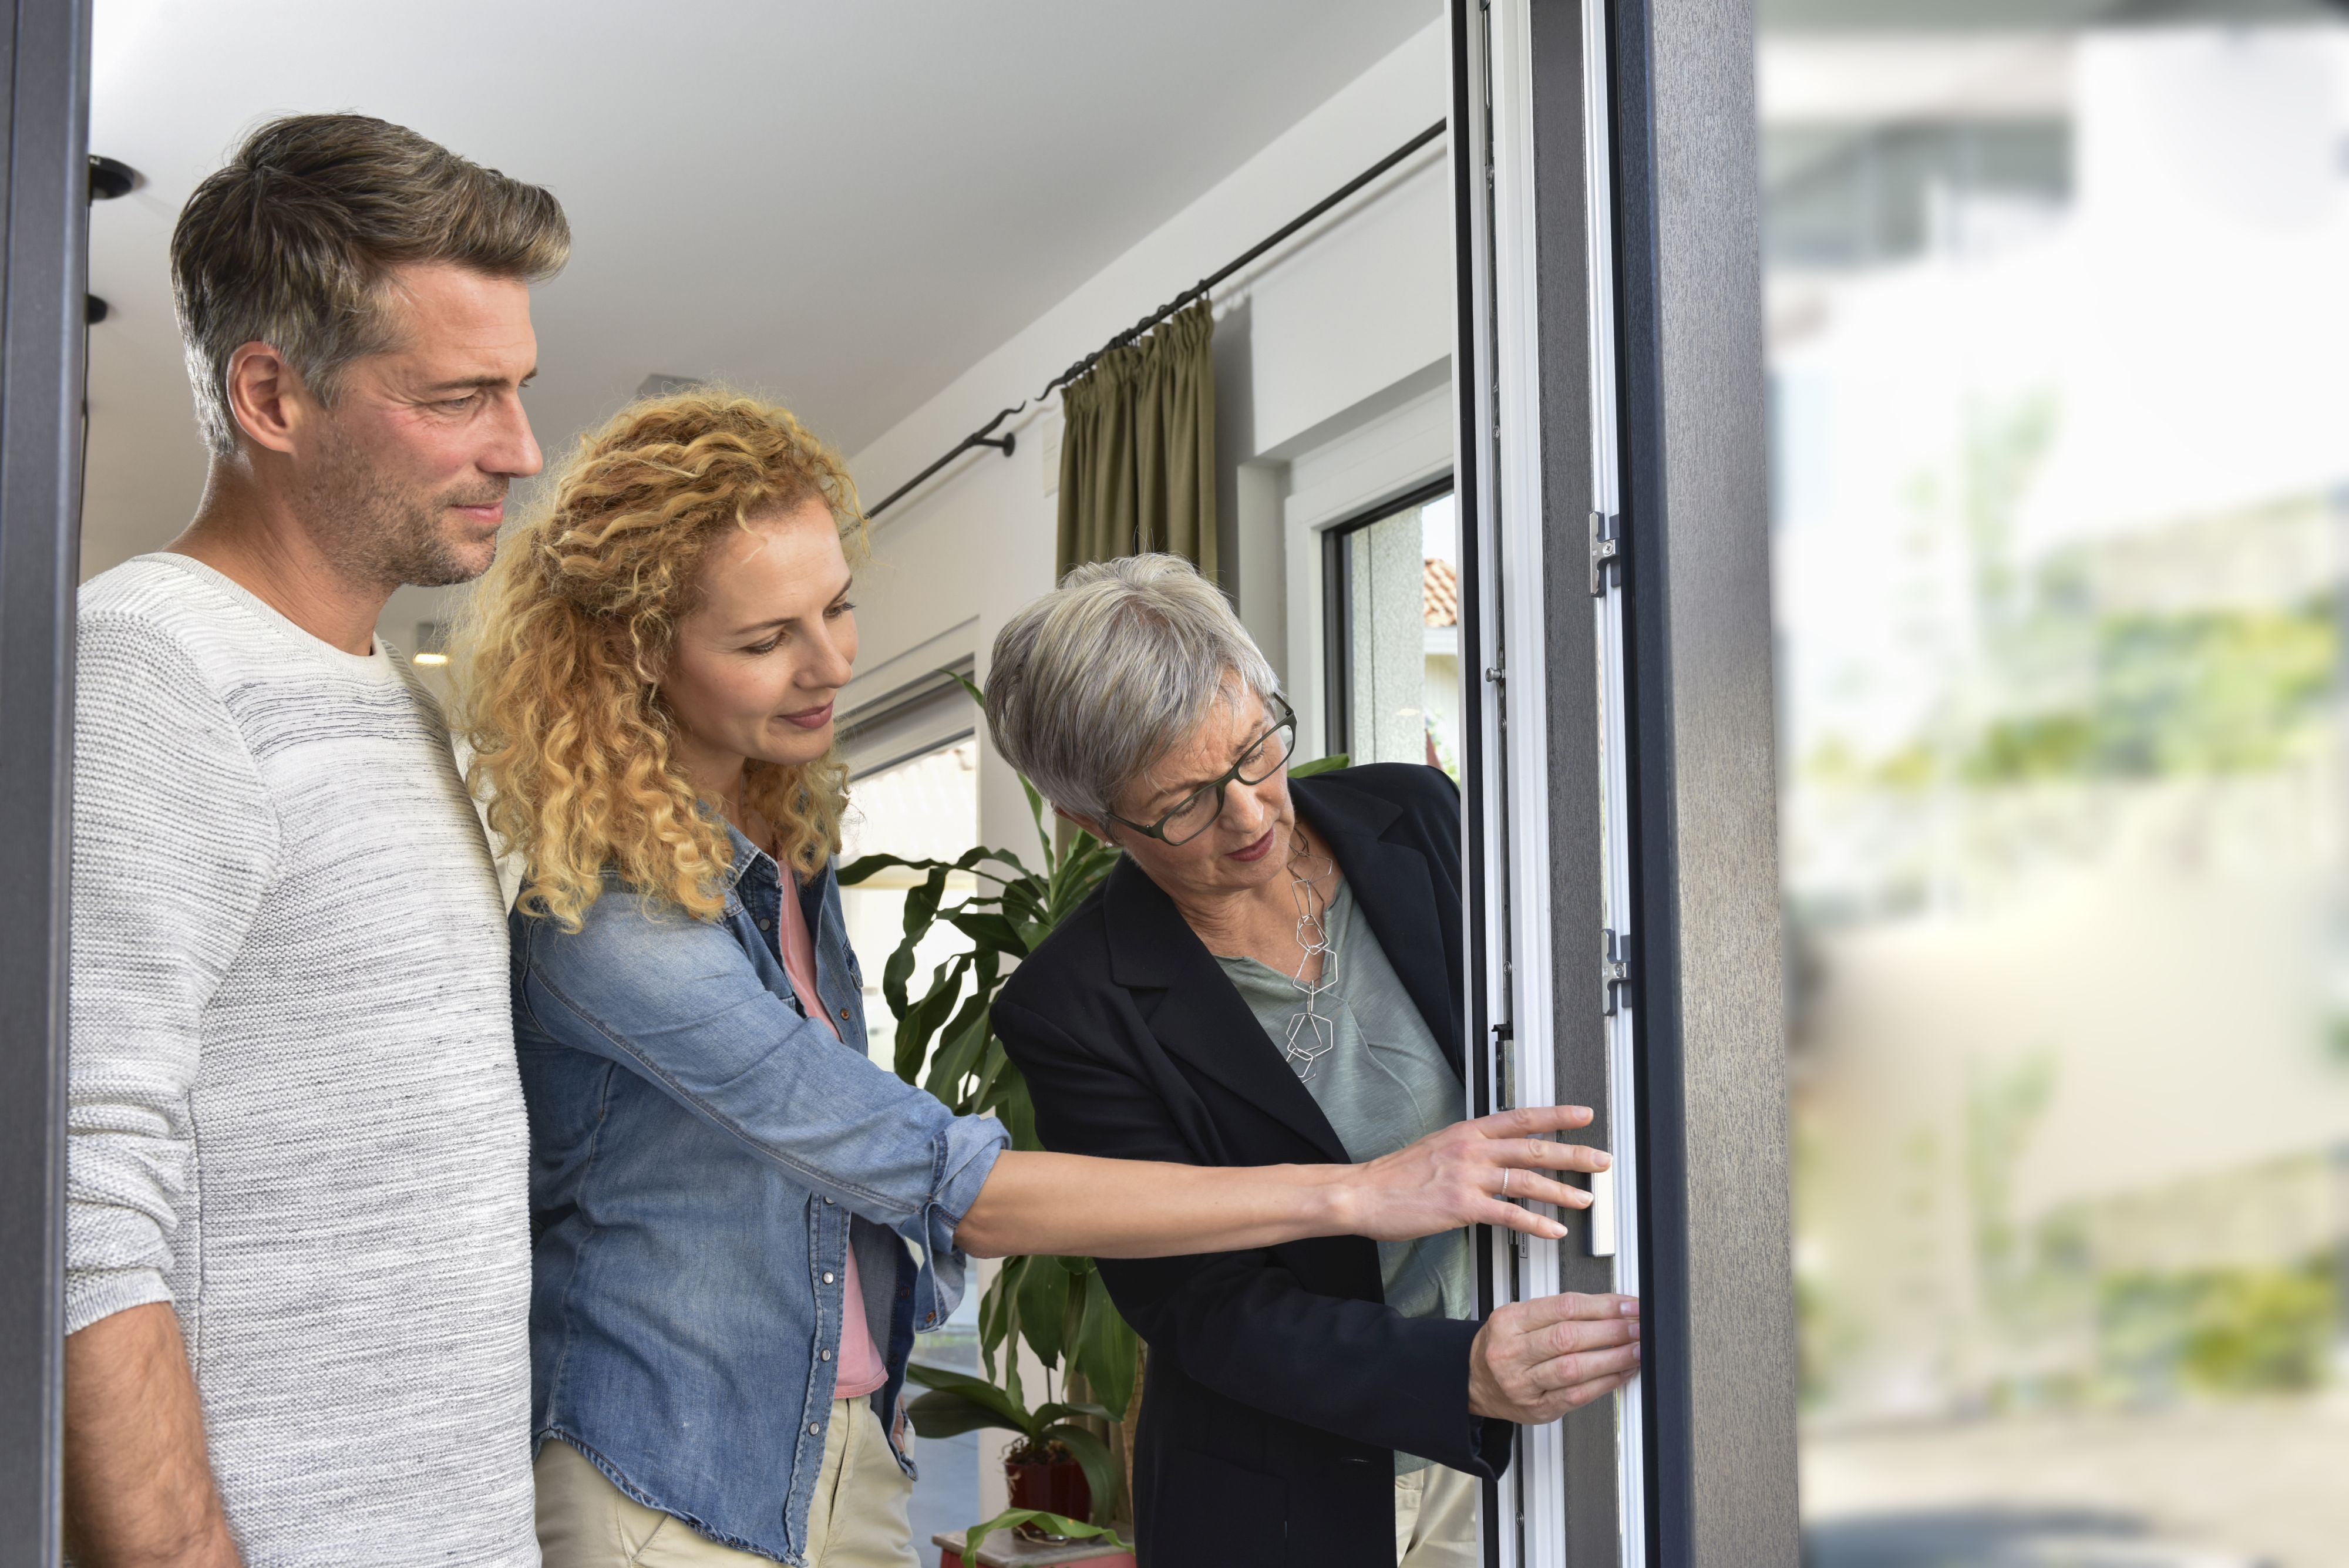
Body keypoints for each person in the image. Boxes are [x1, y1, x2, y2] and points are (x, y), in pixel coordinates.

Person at [455, 388, 1613, 1568]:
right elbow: (941, 1177)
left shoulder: (785, 860)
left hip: (836, 1436)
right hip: (681, 1457)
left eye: (837, 609)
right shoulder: (616, 932)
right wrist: (1361, 1195)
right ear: (1087, 825)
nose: (831, 665)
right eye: (765, 640)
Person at [63, 116, 567, 1565]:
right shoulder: (149, 671)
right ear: (273, 396)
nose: (521, 449)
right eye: (464, 396)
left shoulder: (378, 698)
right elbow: (77, 1191)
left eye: (518, 389)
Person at [982, 554, 1644, 1568]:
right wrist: (1456, 1370)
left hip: (1535, 1442)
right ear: (1092, 822)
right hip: (1293, 1489)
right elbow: (1201, 1308)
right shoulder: (1073, 1005)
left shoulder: (1421, 819)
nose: (1250, 815)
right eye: (1184, 804)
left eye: (1256, 751)